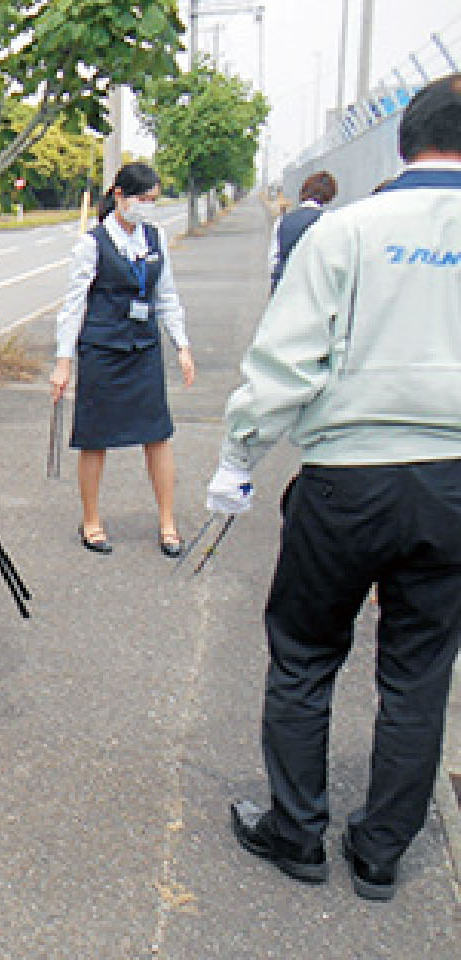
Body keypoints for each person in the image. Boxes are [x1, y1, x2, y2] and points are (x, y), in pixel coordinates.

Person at [209, 73, 461, 901]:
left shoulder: (346, 232)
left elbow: (285, 364)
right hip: (455, 484)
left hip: (348, 479)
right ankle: (383, 850)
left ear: (402, 139)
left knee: (307, 655)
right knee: (419, 673)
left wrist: (239, 458)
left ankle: (297, 830)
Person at [48, 162, 196, 557]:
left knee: (157, 435)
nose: (146, 207)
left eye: (152, 200)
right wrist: (63, 363)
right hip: (102, 350)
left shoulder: (155, 238)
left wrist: (181, 344)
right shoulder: (92, 244)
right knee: (94, 438)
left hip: (144, 349)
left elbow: (166, 295)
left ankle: (167, 522)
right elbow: (73, 306)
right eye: (141, 199)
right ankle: (91, 519)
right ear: (118, 196)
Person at [269, 170, 337, 293]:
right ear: (329, 196)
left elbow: (273, 260)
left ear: (303, 191)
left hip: (284, 289)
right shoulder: (330, 220)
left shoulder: (282, 221)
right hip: (317, 290)